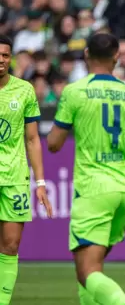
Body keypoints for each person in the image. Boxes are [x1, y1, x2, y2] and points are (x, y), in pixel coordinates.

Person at [46, 33, 125, 305]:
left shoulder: (75, 92)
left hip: (93, 190)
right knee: (92, 267)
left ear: (86, 54)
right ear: (116, 57)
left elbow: (53, 143)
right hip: (123, 189)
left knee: (86, 271)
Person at [0, 35, 53, 305]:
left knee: (10, 246)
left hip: (14, 178)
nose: (0, 60)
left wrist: (40, 182)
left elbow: (32, 139)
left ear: (11, 59)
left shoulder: (24, 91)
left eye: (5, 55)